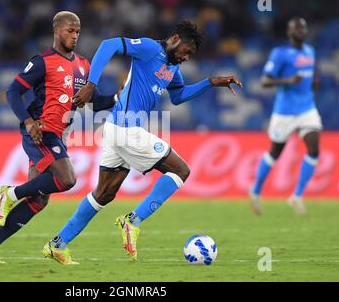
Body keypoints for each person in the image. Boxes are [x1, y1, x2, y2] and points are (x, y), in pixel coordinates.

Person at [42, 20, 243, 265]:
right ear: (176, 39)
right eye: (186, 51)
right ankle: (132, 221)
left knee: (104, 194)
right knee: (181, 170)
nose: (187, 58)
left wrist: (210, 83)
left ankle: (57, 244)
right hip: (126, 129)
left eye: (190, 55)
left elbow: (178, 97)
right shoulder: (149, 48)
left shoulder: (173, 68)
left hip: (116, 130)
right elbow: (108, 45)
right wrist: (90, 84)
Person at [0, 11, 117, 263]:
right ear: (56, 31)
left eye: (77, 31)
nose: (74, 35)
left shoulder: (84, 66)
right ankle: (9, 194)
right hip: (40, 132)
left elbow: (95, 102)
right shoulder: (42, 61)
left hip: (58, 135)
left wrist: (118, 96)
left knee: (38, 200)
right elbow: (13, 92)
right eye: (69, 30)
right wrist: (28, 122)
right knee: (67, 179)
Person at [249, 17, 321, 216]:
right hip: (285, 112)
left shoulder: (310, 51)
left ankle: (297, 195)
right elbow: (265, 81)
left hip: (307, 109)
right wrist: (288, 80)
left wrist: (315, 80)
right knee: (275, 153)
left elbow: (312, 73)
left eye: (304, 28)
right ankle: (255, 190)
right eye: (297, 28)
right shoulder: (280, 54)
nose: (301, 31)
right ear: (289, 32)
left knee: (314, 148)